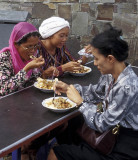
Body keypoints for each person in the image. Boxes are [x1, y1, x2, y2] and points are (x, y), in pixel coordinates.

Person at [47, 24, 138, 160]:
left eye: (96, 58)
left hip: (123, 146)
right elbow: (96, 93)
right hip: (111, 135)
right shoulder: (111, 74)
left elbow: (102, 124)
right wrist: (68, 88)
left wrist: (80, 103)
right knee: (68, 129)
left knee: (57, 153)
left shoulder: (127, 87)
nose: (94, 63)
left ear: (110, 59)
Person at [0, 22, 45, 97]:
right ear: (16, 45)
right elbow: (3, 90)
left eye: (35, 46)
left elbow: (34, 81)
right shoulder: (5, 58)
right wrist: (26, 69)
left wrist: (44, 73)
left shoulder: (33, 55)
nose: (33, 50)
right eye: (29, 46)